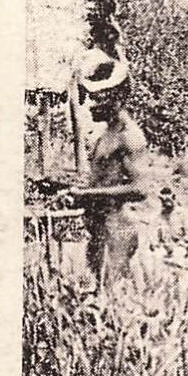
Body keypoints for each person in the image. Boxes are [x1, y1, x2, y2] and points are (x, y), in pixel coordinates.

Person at [60, 49, 149, 288]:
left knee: (115, 298)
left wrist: (88, 195)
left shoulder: (130, 137)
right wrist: (75, 191)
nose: (90, 104)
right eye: (90, 96)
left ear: (117, 98)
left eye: (98, 97)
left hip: (118, 228)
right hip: (99, 226)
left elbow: (140, 189)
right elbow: (104, 179)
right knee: (98, 294)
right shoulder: (105, 134)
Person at [149, 186, 188, 261]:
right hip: (166, 247)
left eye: (168, 200)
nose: (165, 203)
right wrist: (153, 242)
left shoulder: (180, 213)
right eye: (163, 201)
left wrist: (185, 241)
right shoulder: (160, 215)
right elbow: (155, 230)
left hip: (180, 246)